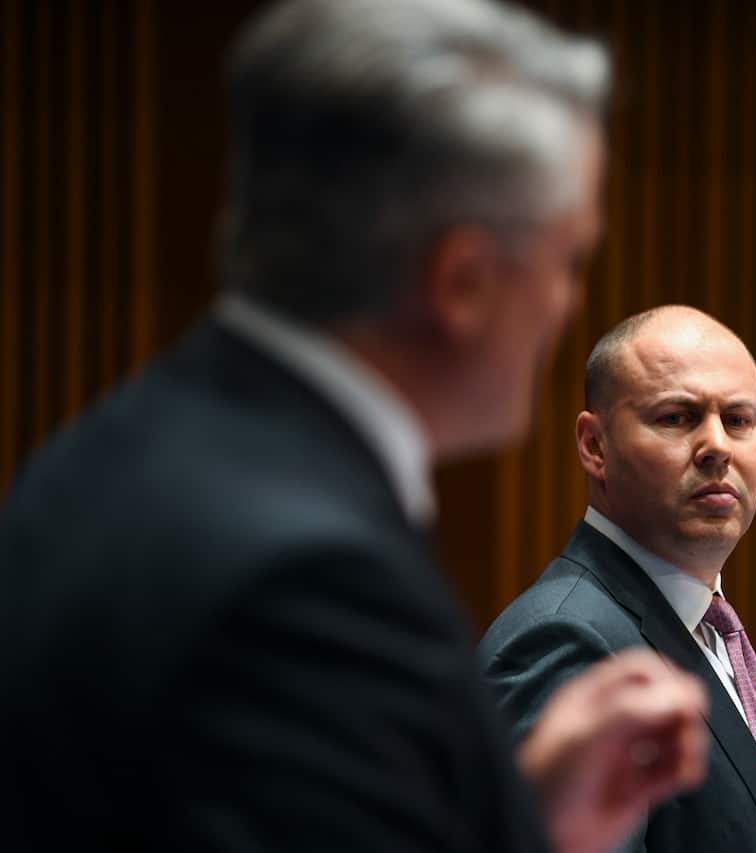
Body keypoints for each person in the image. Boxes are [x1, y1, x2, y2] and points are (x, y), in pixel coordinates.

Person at [0, 2, 708, 851]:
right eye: (568, 262)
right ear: (465, 283)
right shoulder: (316, 576)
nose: (570, 303)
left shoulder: (107, 450)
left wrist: (523, 821)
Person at [480, 305, 756, 852]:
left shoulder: (711, 634)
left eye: (738, 420)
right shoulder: (565, 640)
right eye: (676, 418)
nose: (718, 446)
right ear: (595, 446)